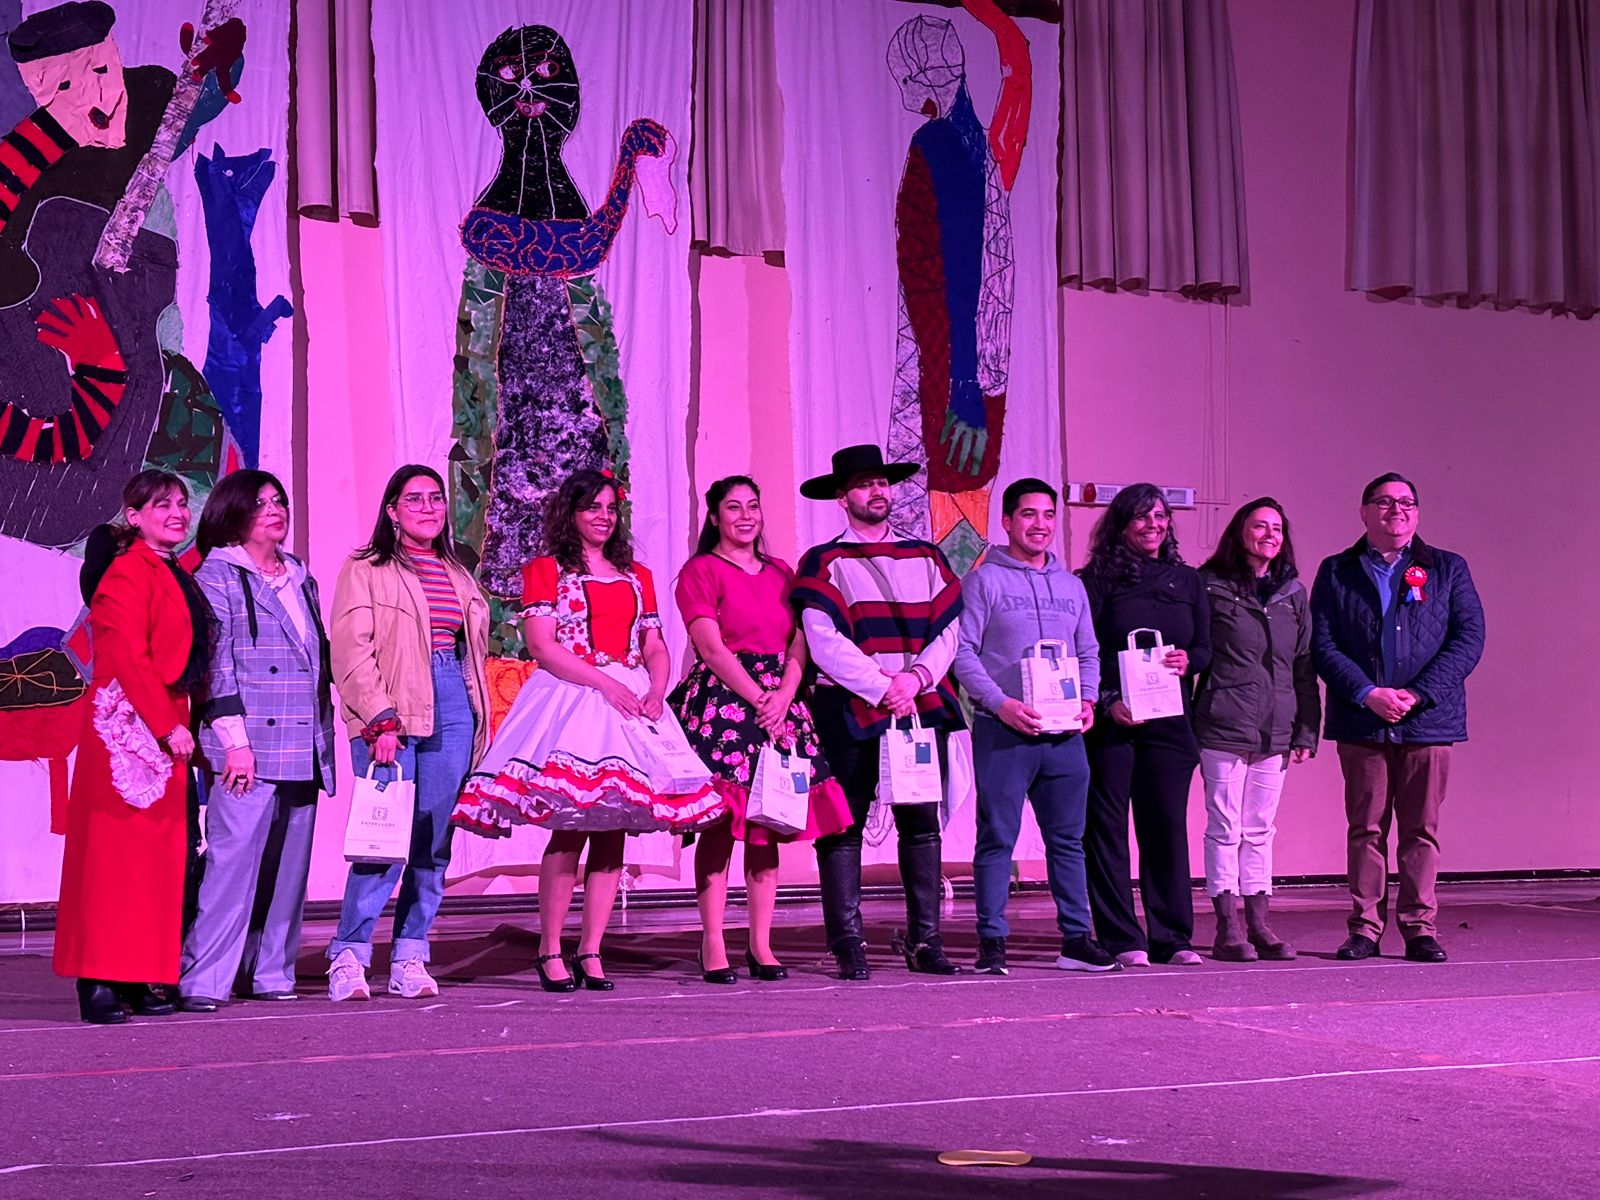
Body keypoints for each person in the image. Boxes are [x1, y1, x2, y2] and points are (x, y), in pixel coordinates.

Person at [453, 469, 720, 992]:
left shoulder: (637, 575)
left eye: (610, 507)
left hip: (631, 699)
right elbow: (542, 645)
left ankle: (592, 948)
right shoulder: (547, 569)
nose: (603, 516)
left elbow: (654, 643)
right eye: (592, 507)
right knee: (571, 824)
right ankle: (551, 948)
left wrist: (656, 688)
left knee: (614, 827)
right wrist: (604, 683)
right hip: (576, 693)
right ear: (570, 513)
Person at [792, 445, 965, 979]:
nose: (877, 491)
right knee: (843, 824)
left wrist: (915, 679)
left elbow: (949, 630)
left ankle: (925, 940)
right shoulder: (824, 561)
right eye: (864, 484)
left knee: (921, 823)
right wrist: (882, 686)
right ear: (842, 497)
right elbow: (823, 641)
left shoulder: (928, 556)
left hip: (917, 703)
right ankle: (847, 941)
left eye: (882, 483)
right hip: (850, 707)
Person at [670, 476, 852, 984]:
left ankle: (761, 943)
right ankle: (712, 941)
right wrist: (759, 699)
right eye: (734, 507)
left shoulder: (780, 572)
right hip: (728, 702)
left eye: (753, 505)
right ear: (715, 517)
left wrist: (786, 694)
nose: (746, 516)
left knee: (769, 821)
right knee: (720, 823)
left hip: (781, 700)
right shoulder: (700, 571)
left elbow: (800, 639)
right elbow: (711, 648)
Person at [54, 470, 214, 1024]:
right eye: (162, 505)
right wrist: (166, 726)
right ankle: (97, 978)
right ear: (134, 516)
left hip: (164, 724)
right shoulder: (126, 570)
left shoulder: (172, 571)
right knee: (114, 859)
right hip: (125, 729)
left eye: (181, 503)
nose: (177, 513)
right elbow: (126, 655)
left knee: (155, 863)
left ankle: (136, 973)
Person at [326, 465, 490, 1001]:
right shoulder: (366, 567)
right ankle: (349, 955)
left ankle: (409, 955)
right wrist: (379, 717)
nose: (428, 507)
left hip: (452, 703)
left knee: (433, 842)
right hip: (392, 706)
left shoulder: (456, 571)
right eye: (414, 499)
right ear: (392, 510)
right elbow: (351, 649)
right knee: (382, 838)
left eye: (436, 498)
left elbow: (467, 654)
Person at [177, 471, 336, 1011]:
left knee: (288, 870)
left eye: (279, 501)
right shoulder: (218, 574)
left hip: (303, 739)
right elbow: (217, 666)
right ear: (235, 512)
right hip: (247, 744)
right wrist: (234, 743)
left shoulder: (300, 576)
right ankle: (203, 977)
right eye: (261, 502)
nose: (274, 509)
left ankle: (268, 970)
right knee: (231, 865)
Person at [1311, 473, 1484, 964]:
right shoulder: (1337, 570)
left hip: (1429, 720)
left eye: (1406, 502)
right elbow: (1322, 642)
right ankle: (1364, 929)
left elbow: (1468, 638)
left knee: (1421, 829)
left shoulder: (1448, 568)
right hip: (1362, 719)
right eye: (1385, 502)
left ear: (1418, 513)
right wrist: (1367, 693)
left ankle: (1419, 928)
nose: (1397, 510)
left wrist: (1417, 693)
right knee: (1366, 828)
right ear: (1364, 512)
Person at [953, 479, 1118, 976]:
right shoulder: (984, 581)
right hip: (1005, 730)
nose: (1040, 524)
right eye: (1028, 514)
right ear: (1007, 522)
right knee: (997, 838)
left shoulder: (1072, 587)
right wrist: (1000, 704)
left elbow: (1089, 651)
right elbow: (963, 653)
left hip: (1064, 734)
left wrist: (1087, 698)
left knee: (1068, 841)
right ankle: (992, 942)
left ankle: (1076, 939)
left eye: (1048, 515)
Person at [1079, 483, 1211, 968]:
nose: (1152, 525)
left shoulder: (1188, 580)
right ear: (1121, 524)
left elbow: (1205, 648)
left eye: (1159, 516)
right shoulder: (1095, 579)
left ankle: (1172, 937)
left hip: (1170, 723)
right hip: (1114, 721)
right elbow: (1085, 649)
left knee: (1166, 828)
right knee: (1107, 830)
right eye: (1141, 517)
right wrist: (1108, 702)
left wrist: (1188, 660)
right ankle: (1121, 937)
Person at [1195, 498, 1320, 963]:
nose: (1270, 535)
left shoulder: (1293, 593)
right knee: (1225, 827)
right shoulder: (1210, 586)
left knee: (1260, 829)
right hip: (1223, 724)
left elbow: (1303, 666)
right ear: (1240, 532)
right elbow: (1195, 653)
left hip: (1277, 731)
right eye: (1260, 526)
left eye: (1277, 528)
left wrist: (1306, 730)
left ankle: (1259, 924)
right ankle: (1227, 928)